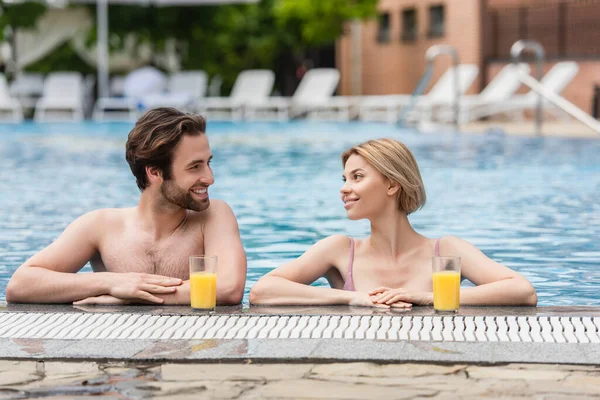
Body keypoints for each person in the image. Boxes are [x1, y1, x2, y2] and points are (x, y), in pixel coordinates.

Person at [250, 138, 537, 309]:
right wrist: (352, 298)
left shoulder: (446, 250)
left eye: (357, 177)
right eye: (344, 179)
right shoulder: (339, 249)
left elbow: (523, 291)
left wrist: (427, 297)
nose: (344, 188)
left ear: (391, 185)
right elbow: (263, 291)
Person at [6, 108, 246, 305]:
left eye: (208, 163)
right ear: (154, 172)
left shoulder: (213, 216)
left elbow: (229, 288)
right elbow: (21, 284)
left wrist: (125, 298)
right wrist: (111, 283)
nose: (210, 177)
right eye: (195, 167)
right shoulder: (101, 226)